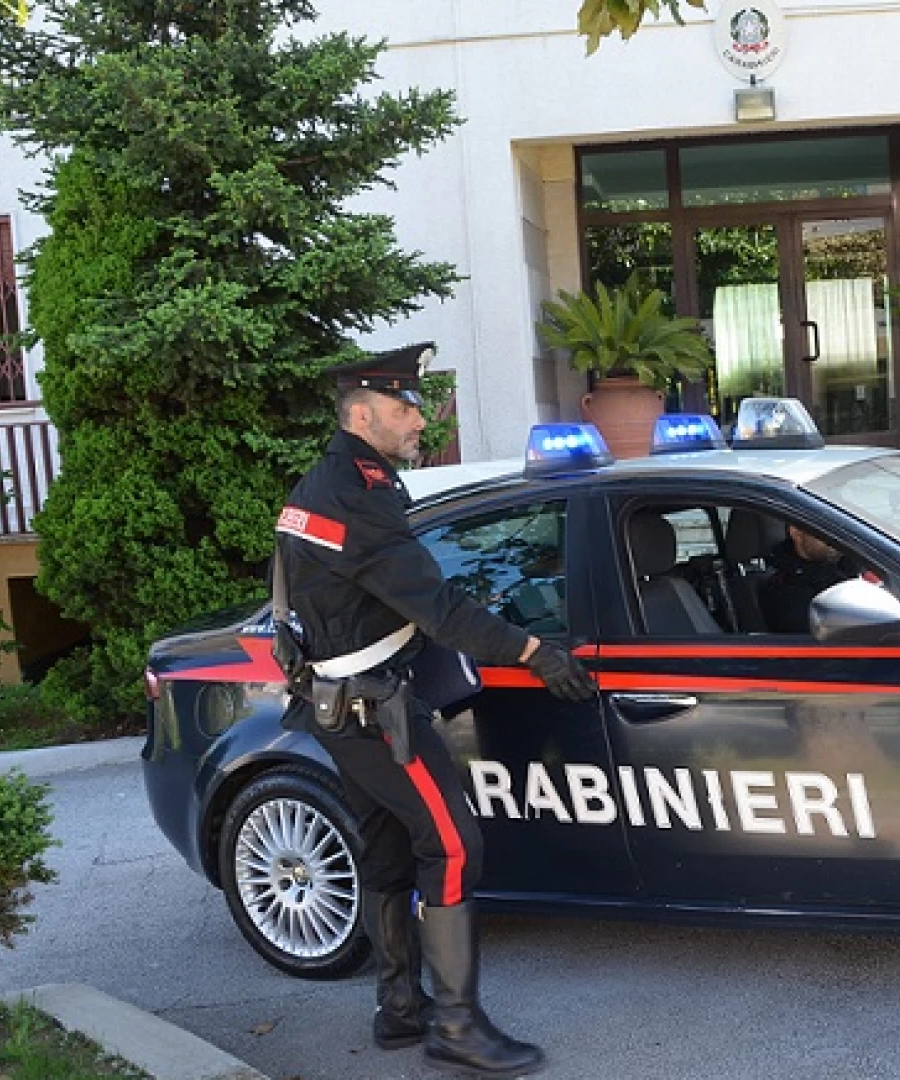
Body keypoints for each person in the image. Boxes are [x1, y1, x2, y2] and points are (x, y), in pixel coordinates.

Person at [274, 342, 595, 1079]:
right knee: (450, 847)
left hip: (343, 703)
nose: (420, 417)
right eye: (403, 406)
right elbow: (439, 605)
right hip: (373, 708)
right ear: (361, 414)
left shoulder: (334, 482)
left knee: (389, 847)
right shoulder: (354, 496)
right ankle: (455, 1026)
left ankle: (400, 1010)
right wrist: (533, 652)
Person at [759, 523, 856, 634]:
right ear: (796, 531)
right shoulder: (787, 590)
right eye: (824, 528)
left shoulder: (848, 566)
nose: (835, 536)